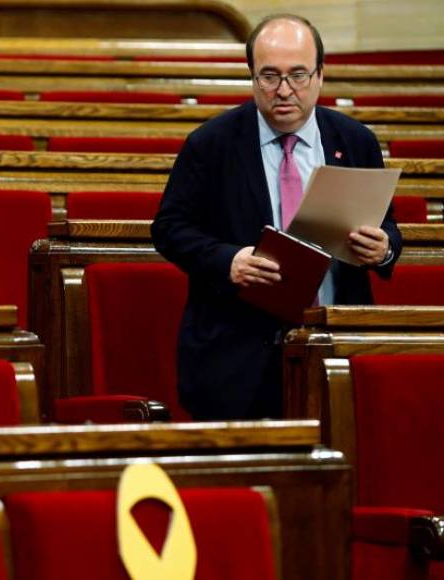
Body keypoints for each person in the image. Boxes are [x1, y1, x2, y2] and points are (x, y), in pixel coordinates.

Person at [150, 14, 402, 420]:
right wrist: (227, 260)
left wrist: (385, 247)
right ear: (251, 76)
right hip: (236, 357)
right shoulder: (210, 144)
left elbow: (386, 224)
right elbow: (168, 228)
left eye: (298, 75)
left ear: (320, 75)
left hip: (336, 348)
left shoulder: (355, 141)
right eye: (269, 76)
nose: (284, 91)